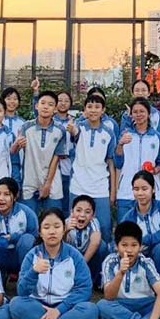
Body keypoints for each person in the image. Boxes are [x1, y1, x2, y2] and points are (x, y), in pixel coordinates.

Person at [8, 208, 98, 319]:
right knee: (16, 304)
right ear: (40, 232)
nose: (52, 231)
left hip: (67, 307)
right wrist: (34, 271)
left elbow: (84, 289)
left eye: (57, 226)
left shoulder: (74, 256)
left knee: (91, 310)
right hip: (39, 308)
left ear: (64, 229)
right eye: (46, 227)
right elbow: (22, 292)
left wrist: (59, 310)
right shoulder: (32, 256)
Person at [65, 92, 117, 241]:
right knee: (74, 225)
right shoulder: (79, 127)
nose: (93, 110)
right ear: (85, 110)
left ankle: (104, 254)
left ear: (103, 110)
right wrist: (72, 129)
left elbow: (111, 162)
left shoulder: (109, 133)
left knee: (104, 227)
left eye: (97, 107)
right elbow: (75, 133)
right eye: (89, 106)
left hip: (100, 186)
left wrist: (113, 191)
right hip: (78, 185)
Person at [114, 97, 160, 221]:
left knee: (149, 227)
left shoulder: (157, 137)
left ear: (149, 114)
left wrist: (154, 170)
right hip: (127, 191)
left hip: (150, 192)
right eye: (135, 112)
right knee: (125, 228)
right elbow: (118, 162)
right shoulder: (125, 135)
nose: (138, 115)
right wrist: (120, 145)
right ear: (131, 115)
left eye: (142, 111)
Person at [118, 170, 160, 285]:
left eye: (144, 189)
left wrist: (143, 240)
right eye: (136, 189)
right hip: (139, 253)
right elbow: (121, 240)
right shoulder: (129, 216)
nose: (140, 193)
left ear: (153, 189)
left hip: (157, 251)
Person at [0, 177, 38, 279]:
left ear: (14, 197)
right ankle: (0, 278)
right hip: (0, 254)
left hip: (21, 254)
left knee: (27, 239)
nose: (1, 198)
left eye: (6, 194)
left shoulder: (25, 212)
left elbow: (34, 236)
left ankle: (24, 276)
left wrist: (13, 237)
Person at [19, 90, 66, 214]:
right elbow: (17, 150)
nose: (46, 107)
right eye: (43, 103)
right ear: (36, 106)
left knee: (54, 218)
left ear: (55, 109)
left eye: (50, 104)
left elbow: (56, 158)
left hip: (52, 181)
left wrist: (48, 184)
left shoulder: (60, 130)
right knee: (29, 219)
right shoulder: (26, 127)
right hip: (30, 179)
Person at [65, 195, 108, 287]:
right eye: (78, 210)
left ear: (93, 215)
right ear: (72, 212)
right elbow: (60, 245)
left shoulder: (94, 222)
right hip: (71, 255)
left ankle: (94, 280)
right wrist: (65, 231)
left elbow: (96, 241)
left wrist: (82, 264)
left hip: (87, 256)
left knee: (102, 246)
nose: (82, 215)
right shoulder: (66, 222)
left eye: (87, 212)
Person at [117, 77, 160, 141]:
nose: (140, 93)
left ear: (148, 93)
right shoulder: (126, 114)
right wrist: (130, 117)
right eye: (137, 90)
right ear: (133, 94)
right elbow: (122, 136)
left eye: (143, 90)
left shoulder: (156, 114)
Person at [53, 89, 77, 216]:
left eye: (66, 101)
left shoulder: (75, 121)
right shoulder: (50, 120)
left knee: (68, 199)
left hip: (69, 164)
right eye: (60, 100)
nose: (63, 103)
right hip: (53, 165)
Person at [2, 86, 29, 184]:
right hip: (0, 163)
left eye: (15, 99)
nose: (12, 102)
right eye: (8, 98)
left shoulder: (23, 123)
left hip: (19, 164)